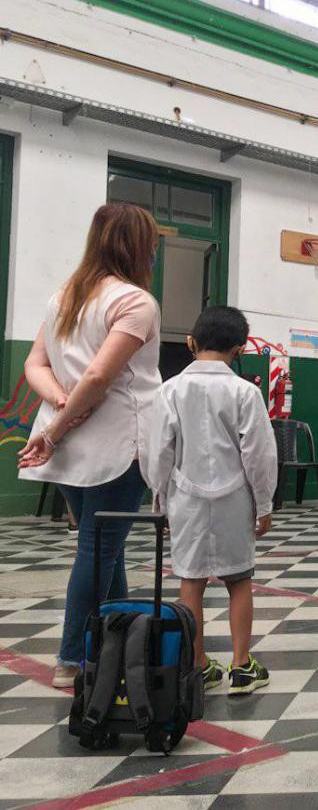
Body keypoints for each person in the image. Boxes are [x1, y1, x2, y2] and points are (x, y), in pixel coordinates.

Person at [17, 203, 162, 688]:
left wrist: (59, 406)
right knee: (98, 550)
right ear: (139, 246)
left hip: (69, 446)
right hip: (113, 443)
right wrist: (60, 423)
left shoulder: (65, 297)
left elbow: (34, 364)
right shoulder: (135, 301)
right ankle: (72, 658)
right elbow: (101, 374)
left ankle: (114, 643)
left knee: (106, 549)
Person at [145, 306, 278, 694]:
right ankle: (241, 666)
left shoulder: (169, 390)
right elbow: (259, 454)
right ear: (238, 349)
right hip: (235, 497)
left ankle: (198, 664)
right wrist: (265, 503)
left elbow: (159, 453)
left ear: (191, 343)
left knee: (191, 581)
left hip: (185, 496)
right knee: (240, 580)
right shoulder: (246, 392)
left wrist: (161, 500)